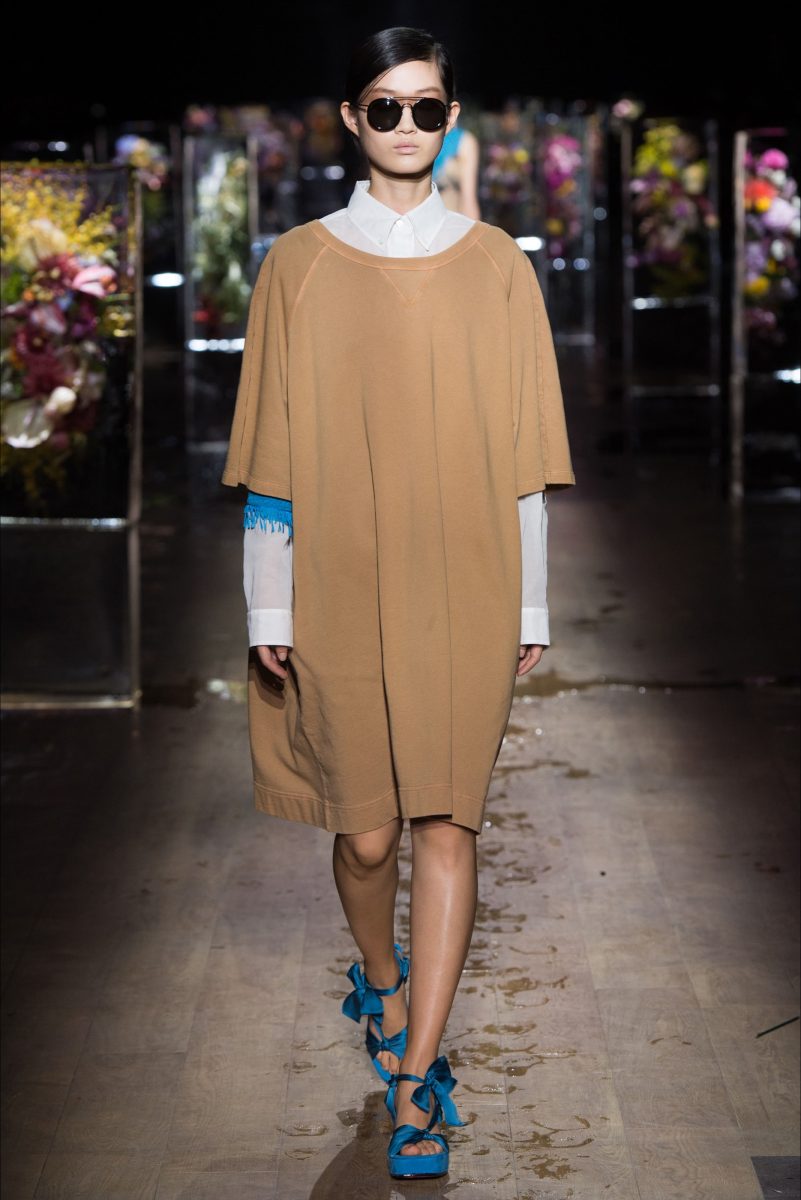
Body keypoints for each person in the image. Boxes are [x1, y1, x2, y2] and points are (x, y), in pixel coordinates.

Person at [220, 26, 576, 1181]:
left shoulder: (499, 265)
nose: (408, 127)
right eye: (387, 107)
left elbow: (524, 455)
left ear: (452, 120)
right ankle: (378, 976)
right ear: (351, 119)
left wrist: (533, 605)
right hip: (337, 576)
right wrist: (268, 607)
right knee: (365, 833)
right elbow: (271, 450)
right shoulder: (298, 264)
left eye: (428, 108)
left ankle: (419, 1080)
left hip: (470, 578)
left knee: (447, 822)